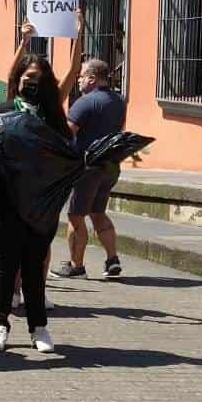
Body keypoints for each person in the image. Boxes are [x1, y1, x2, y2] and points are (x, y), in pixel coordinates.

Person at [0, 21, 81, 354]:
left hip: (41, 205)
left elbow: (72, 72)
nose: (32, 84)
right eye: (28, 78)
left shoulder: (53, 117)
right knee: (4, 263)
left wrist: (78, 36)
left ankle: (38, 327)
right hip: (5, 201)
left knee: (34, 265)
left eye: (38, 79)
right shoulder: (3, 112)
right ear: (19, 81)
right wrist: (24, 42)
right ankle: (0, 324)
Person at [53, 58, 127, 280]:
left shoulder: (85, 102)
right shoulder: (119, 101)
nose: (79, 80)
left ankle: (77, 266)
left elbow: (67, 133)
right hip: (110, 166)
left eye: (82, 76)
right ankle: (112, 259)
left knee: (76, 215)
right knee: (98, 212)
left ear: (92, 78)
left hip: (86, 167)